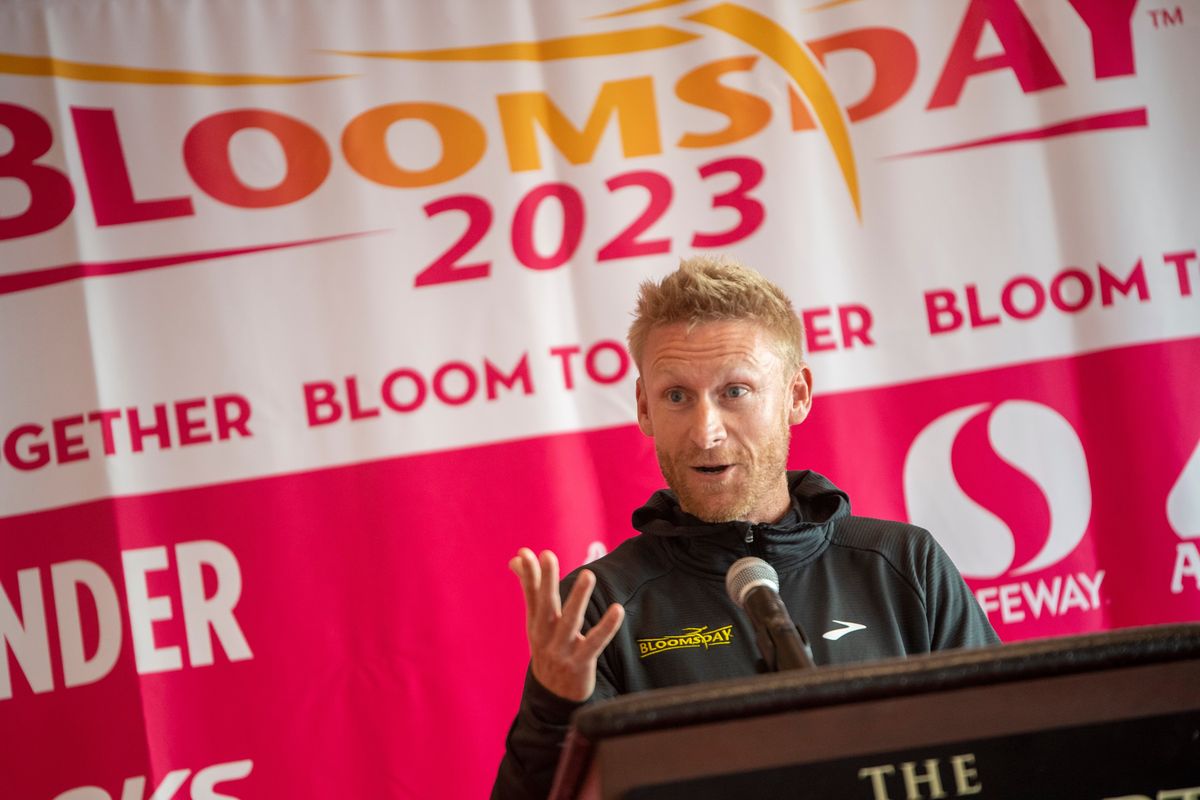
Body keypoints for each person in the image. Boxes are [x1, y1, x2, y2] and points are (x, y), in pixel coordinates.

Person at [491, 255, 999, 799]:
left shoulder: (904, 565)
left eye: (735, 391)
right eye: (677, 396)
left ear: (796, 395)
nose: (706, 432)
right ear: (644, 406)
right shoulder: (601, 608)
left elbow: (1007, 759)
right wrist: (552, 709)